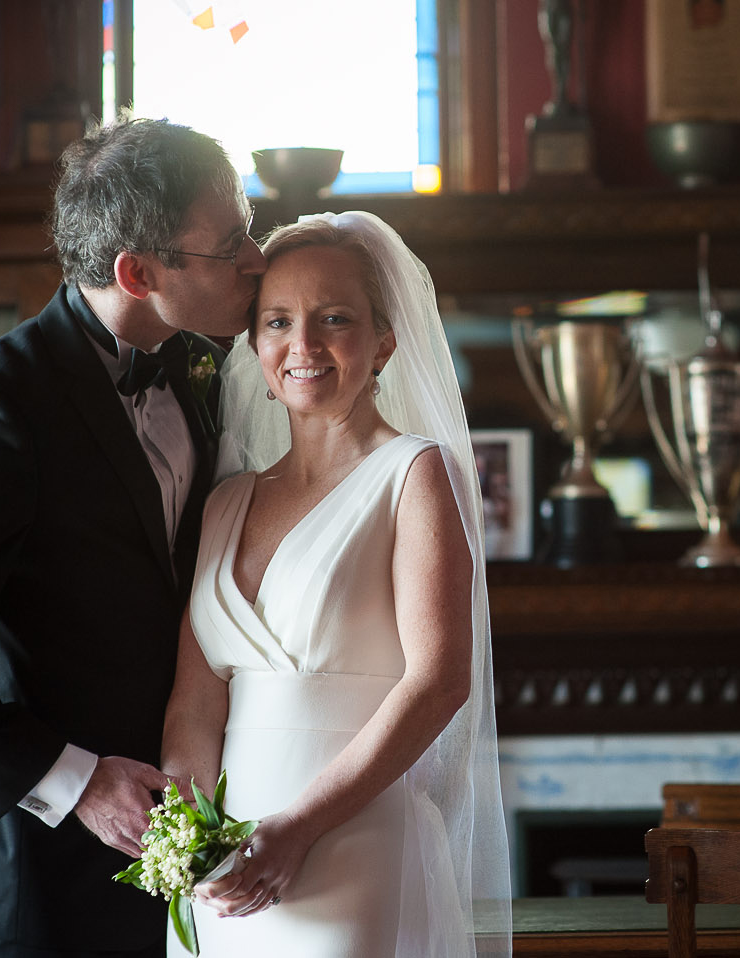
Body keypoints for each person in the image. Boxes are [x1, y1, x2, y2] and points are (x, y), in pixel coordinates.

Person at [0, 116, 266, 957]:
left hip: (202, 846)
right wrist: (75, 784)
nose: (257, 258)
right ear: (137, 272)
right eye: (230, 245)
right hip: (50, 871)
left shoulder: (202, 365)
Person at [160, 212, 512, 956]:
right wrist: (188, 841)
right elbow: (195, 702)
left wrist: (297, 829)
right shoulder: (226, 502)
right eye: (279, 321)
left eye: (335, 320)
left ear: (384, 340)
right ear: (254, 344)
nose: (304, 346)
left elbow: (440, 680)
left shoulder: (416, 474)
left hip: (351, 844)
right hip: (223, 876)